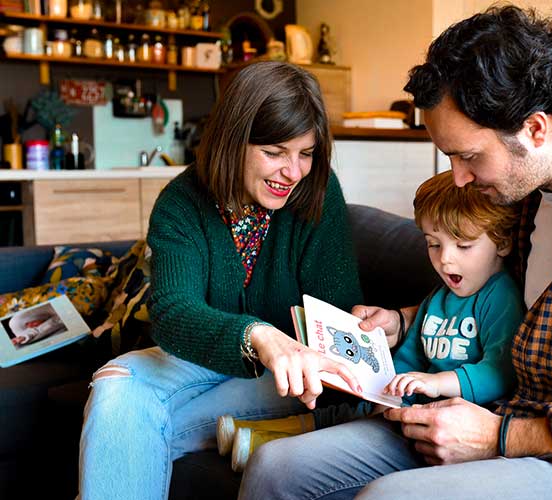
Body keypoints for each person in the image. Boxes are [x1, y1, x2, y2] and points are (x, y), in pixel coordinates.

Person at [238, 7, 552, 500]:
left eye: (468, 155)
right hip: (501, 418)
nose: (458, 178)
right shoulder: (523, 198)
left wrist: (500, 437)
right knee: (277, 466)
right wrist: (403, 320)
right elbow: (493, 304)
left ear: (536, 129)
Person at [77, 61, 364, 500]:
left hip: (291, 373)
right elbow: (173, 315)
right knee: (116, 381)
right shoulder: (182, 202)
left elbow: (337, 313)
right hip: (206, 356)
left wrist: (290, 349)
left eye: (305, 153)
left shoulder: (319, 193)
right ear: (234, 140)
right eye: (275, 152)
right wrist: (257, 335)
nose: (294, 172)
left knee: (129, 421)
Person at [217, 170, 526, 472]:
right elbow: (413, 353)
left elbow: (499, 372)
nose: (445, 259)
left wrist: (433, 383)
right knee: (348, 410)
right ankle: (257, 434)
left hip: (450, 423)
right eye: (434, 243)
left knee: (354, 420)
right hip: (411, 407)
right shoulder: (440, 297)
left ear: (501, 243)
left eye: (463, 246)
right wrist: (390, 389)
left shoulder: (499, 297)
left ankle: (262, 442)